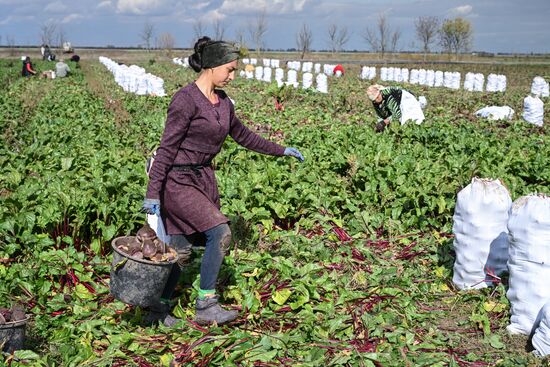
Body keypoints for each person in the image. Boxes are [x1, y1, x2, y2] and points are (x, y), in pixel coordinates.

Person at [142, 36, 305, 327]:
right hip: (176, 182)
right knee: (220, 233)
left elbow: (244, 136)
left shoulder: (224, 102)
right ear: (212, 66)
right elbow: (166, 149)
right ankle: (206, 304)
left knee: (180, 250)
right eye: (229, 69)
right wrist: (153, 193)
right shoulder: (185, 100)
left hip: (202, 179)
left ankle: (158, 309)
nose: (232, 76)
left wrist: (281, 150)